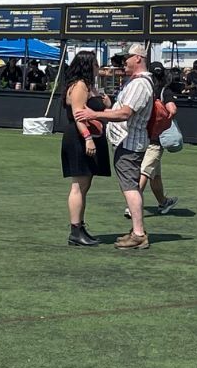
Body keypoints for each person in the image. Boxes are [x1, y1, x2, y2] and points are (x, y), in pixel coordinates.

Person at [75, 44, 155, 250]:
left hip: (130, 142)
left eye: (126, 58)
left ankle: (138, 234)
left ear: (138, 58)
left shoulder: (139, 83)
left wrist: (95, 114)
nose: (122, 62)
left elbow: (125, 114)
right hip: (128, 141)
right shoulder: (137, 81)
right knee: (130, 186)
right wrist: (110, 107)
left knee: (130, 187)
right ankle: (137, 231)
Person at [59, 51, 111, 246]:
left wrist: (106, 103)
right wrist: (88, 138)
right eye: (95, 64)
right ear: (88, 66)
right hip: (79, 138)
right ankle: (75, 231)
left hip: (91, 136)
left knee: (85, 184)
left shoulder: (89, 86)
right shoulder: (80, 85)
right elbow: (78, 115)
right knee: (78, 185)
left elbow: (97, 110)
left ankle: (80, 227)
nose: (98, 68)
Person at [138, 63, 180, 214]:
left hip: (140, 135)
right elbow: (172, 109)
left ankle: (163, 202)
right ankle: (132, 205)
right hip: (156, 139)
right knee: (145, 171)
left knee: (155, 175)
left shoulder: (143, 89)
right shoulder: (164, 91)